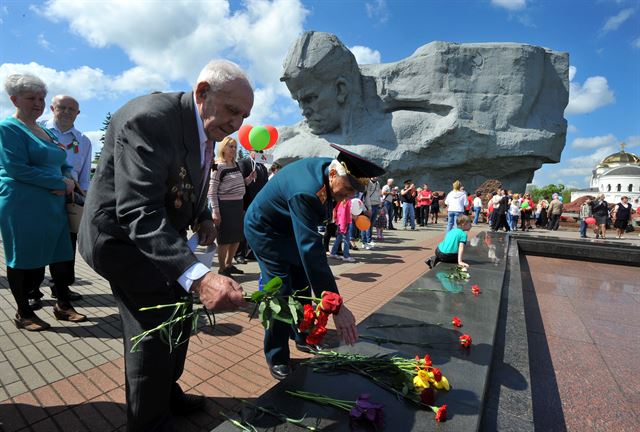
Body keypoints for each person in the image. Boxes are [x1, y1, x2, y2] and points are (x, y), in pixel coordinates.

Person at [78, 60, 251, 431]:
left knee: (180, 316)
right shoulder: (151, 120)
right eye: (233, 111)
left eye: (245, 115)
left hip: (161, 239)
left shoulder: (204, 129)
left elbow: (195, 178)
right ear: (203, 92)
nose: (237, 124)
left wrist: (203, 213)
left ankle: (166, 391)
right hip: (121, 241)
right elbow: (138, 211)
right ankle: (149, 421)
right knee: (154, 327)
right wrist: (202, 279)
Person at [244, 143, 385, 380]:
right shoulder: (307, 191)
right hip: (266, 231)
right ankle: (277, 355)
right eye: (348, 189)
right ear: (333, 175)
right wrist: (335, 305)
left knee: (302, 285)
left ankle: (302, 336)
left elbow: (310, 247)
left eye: (354, 192)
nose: (349, 196)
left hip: (288, 227)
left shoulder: (330, 175)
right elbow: (311, 251)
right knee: (280, 290)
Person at [0, 73, 87, 332]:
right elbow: (16, 169)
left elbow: (63, 162)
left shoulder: (46, 131)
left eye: (41, 98)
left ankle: (62, 305)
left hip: (52, 205)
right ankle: (24, 313)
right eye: (31, 98)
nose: (38, 103)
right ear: (14, 99)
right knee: (23, 258)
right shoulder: (8, 128)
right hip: (22, 204)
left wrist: (69, 177)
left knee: (61, 255)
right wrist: (61, 184)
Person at [29, 94, 91, 305]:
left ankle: (61, 287)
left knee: (67, 245)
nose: (66, 112)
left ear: (78, 113)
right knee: (37, 244)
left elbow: (84, 176)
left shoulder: (83, 140)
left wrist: (84, 198)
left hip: (70, 200)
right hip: (41, 197)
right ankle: (31, 291)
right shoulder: (37, 130)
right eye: (61, 107)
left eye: (71, 109)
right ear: (53, 108)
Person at [208, 136, 256, 276]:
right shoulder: (218, 166)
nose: (233, 149)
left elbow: (241, 184)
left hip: (238, 206)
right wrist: (215, 211)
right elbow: (212, 191)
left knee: (236, 237)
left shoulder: (235, 164)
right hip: (225, 207)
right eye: (230, 146)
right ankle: (222, 268)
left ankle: (229, 265)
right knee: (225, 240)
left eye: (235, 147)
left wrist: (249, 179)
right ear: (223, 147)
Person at [234, 150, 269, 264]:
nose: (259, 153)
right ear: (250, 151)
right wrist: (248, 179)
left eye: (261, 151)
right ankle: (239, 254)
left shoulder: (263, 167)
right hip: (246, 201)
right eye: (257, 151)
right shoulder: (244, 163)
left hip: (258, 203)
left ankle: (250, 253)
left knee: (254, 228)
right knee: (243, 229)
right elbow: (239, 183)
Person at [329, 198, 355, 262]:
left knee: (339, 238)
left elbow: (336, 210)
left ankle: (333, 253)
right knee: (347, 239)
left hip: (340, 223)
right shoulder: (347, 202)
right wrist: (343, 226)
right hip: (344, 223)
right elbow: (343, 215)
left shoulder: (341, 201)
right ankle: (346, 256)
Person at [361, 177, 381, 247]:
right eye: (374, 175)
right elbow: (367, 196)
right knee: (366, 224)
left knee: (371, 224)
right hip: (369, 205)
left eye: (377, 176)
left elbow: (378, 194)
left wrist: (379, 205)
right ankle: (364, 241)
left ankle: (369, 239)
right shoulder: (368, 183)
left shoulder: (378, 183)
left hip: (376, 205)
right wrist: (369, 208)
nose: (376, 177)